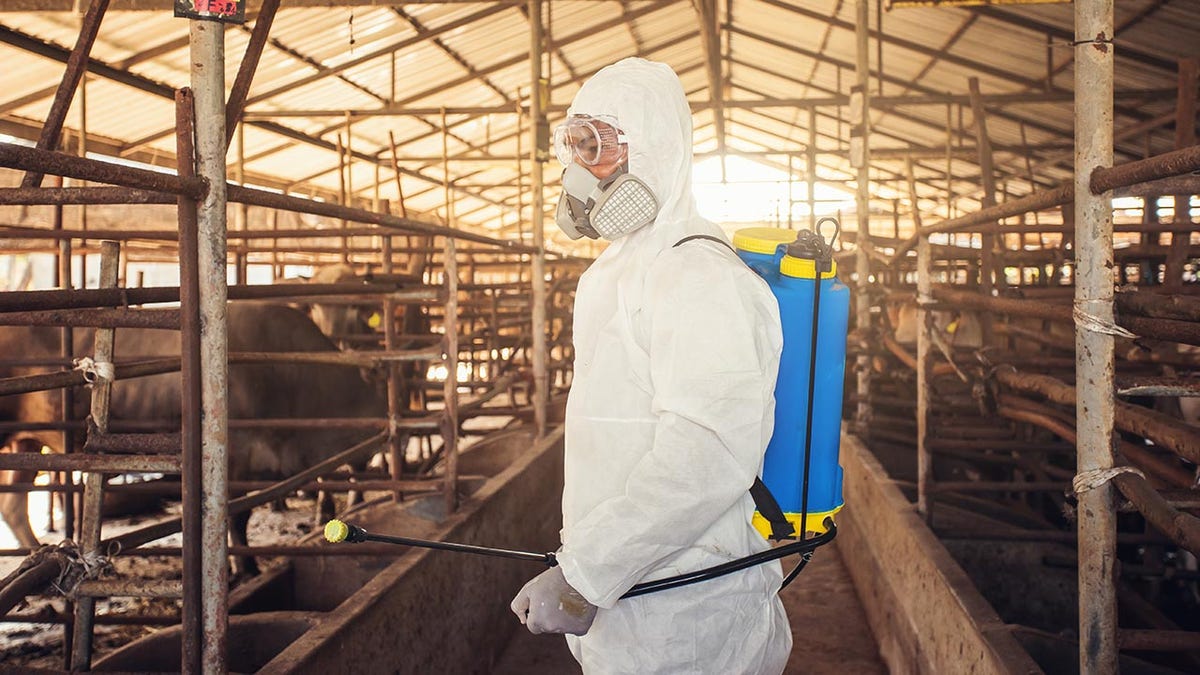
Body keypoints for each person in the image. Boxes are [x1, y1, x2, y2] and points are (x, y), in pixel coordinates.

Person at [508, 57, 792, 674]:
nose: (580, 170)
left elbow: (707, 450)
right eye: (573, 146)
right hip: (633, 604)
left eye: (598, 146)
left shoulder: (699, 276)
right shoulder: (619, 269)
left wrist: (584, 574)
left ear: (656, 149)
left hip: (690, 617)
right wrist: (590, 569)